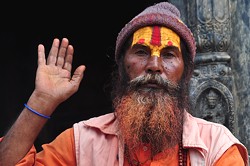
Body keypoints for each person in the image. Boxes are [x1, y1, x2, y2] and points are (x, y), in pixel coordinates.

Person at [0, 2, 249, 166]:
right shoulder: (82, 141)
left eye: (169, 55)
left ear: (186, 72)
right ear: (122, 66)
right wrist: (40, 102)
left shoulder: (217, 147)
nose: (154, 65)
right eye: (141, 52)